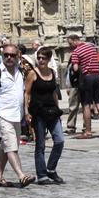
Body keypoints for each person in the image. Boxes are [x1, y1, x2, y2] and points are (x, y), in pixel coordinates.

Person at [0, 43, 34, 188]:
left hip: (17, 115)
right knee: (12, 147)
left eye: (12, 55)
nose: (9, 58)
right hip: (3, 114)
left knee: (7, 145)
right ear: (2, 56)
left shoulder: (21, 72)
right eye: (6, 55)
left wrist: (26, 112)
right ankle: (21, 176)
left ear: (18, 56)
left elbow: (24, 94)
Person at [24, 47, 65, 185]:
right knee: (40, 144)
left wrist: (58, 110)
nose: (41, 60)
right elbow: (27, 93)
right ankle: (41, 175)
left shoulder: (53, 73)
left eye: (44, 58)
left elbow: (54, 92)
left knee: (59, 141)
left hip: (52, 111)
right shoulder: (32, 73)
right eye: (39, 57)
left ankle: (51, 169)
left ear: (49, 59)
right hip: (38, 112)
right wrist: (26, 111)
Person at [68, 33, 99, 139]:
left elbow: (75, 68)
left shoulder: (76, 51)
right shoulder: (91, 48)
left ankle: (87, 131)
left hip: (86, 78)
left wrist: (81, 69)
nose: (70, 46)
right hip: (97, 77)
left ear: (74, 40)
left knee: (86, 105)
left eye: (70, 43)